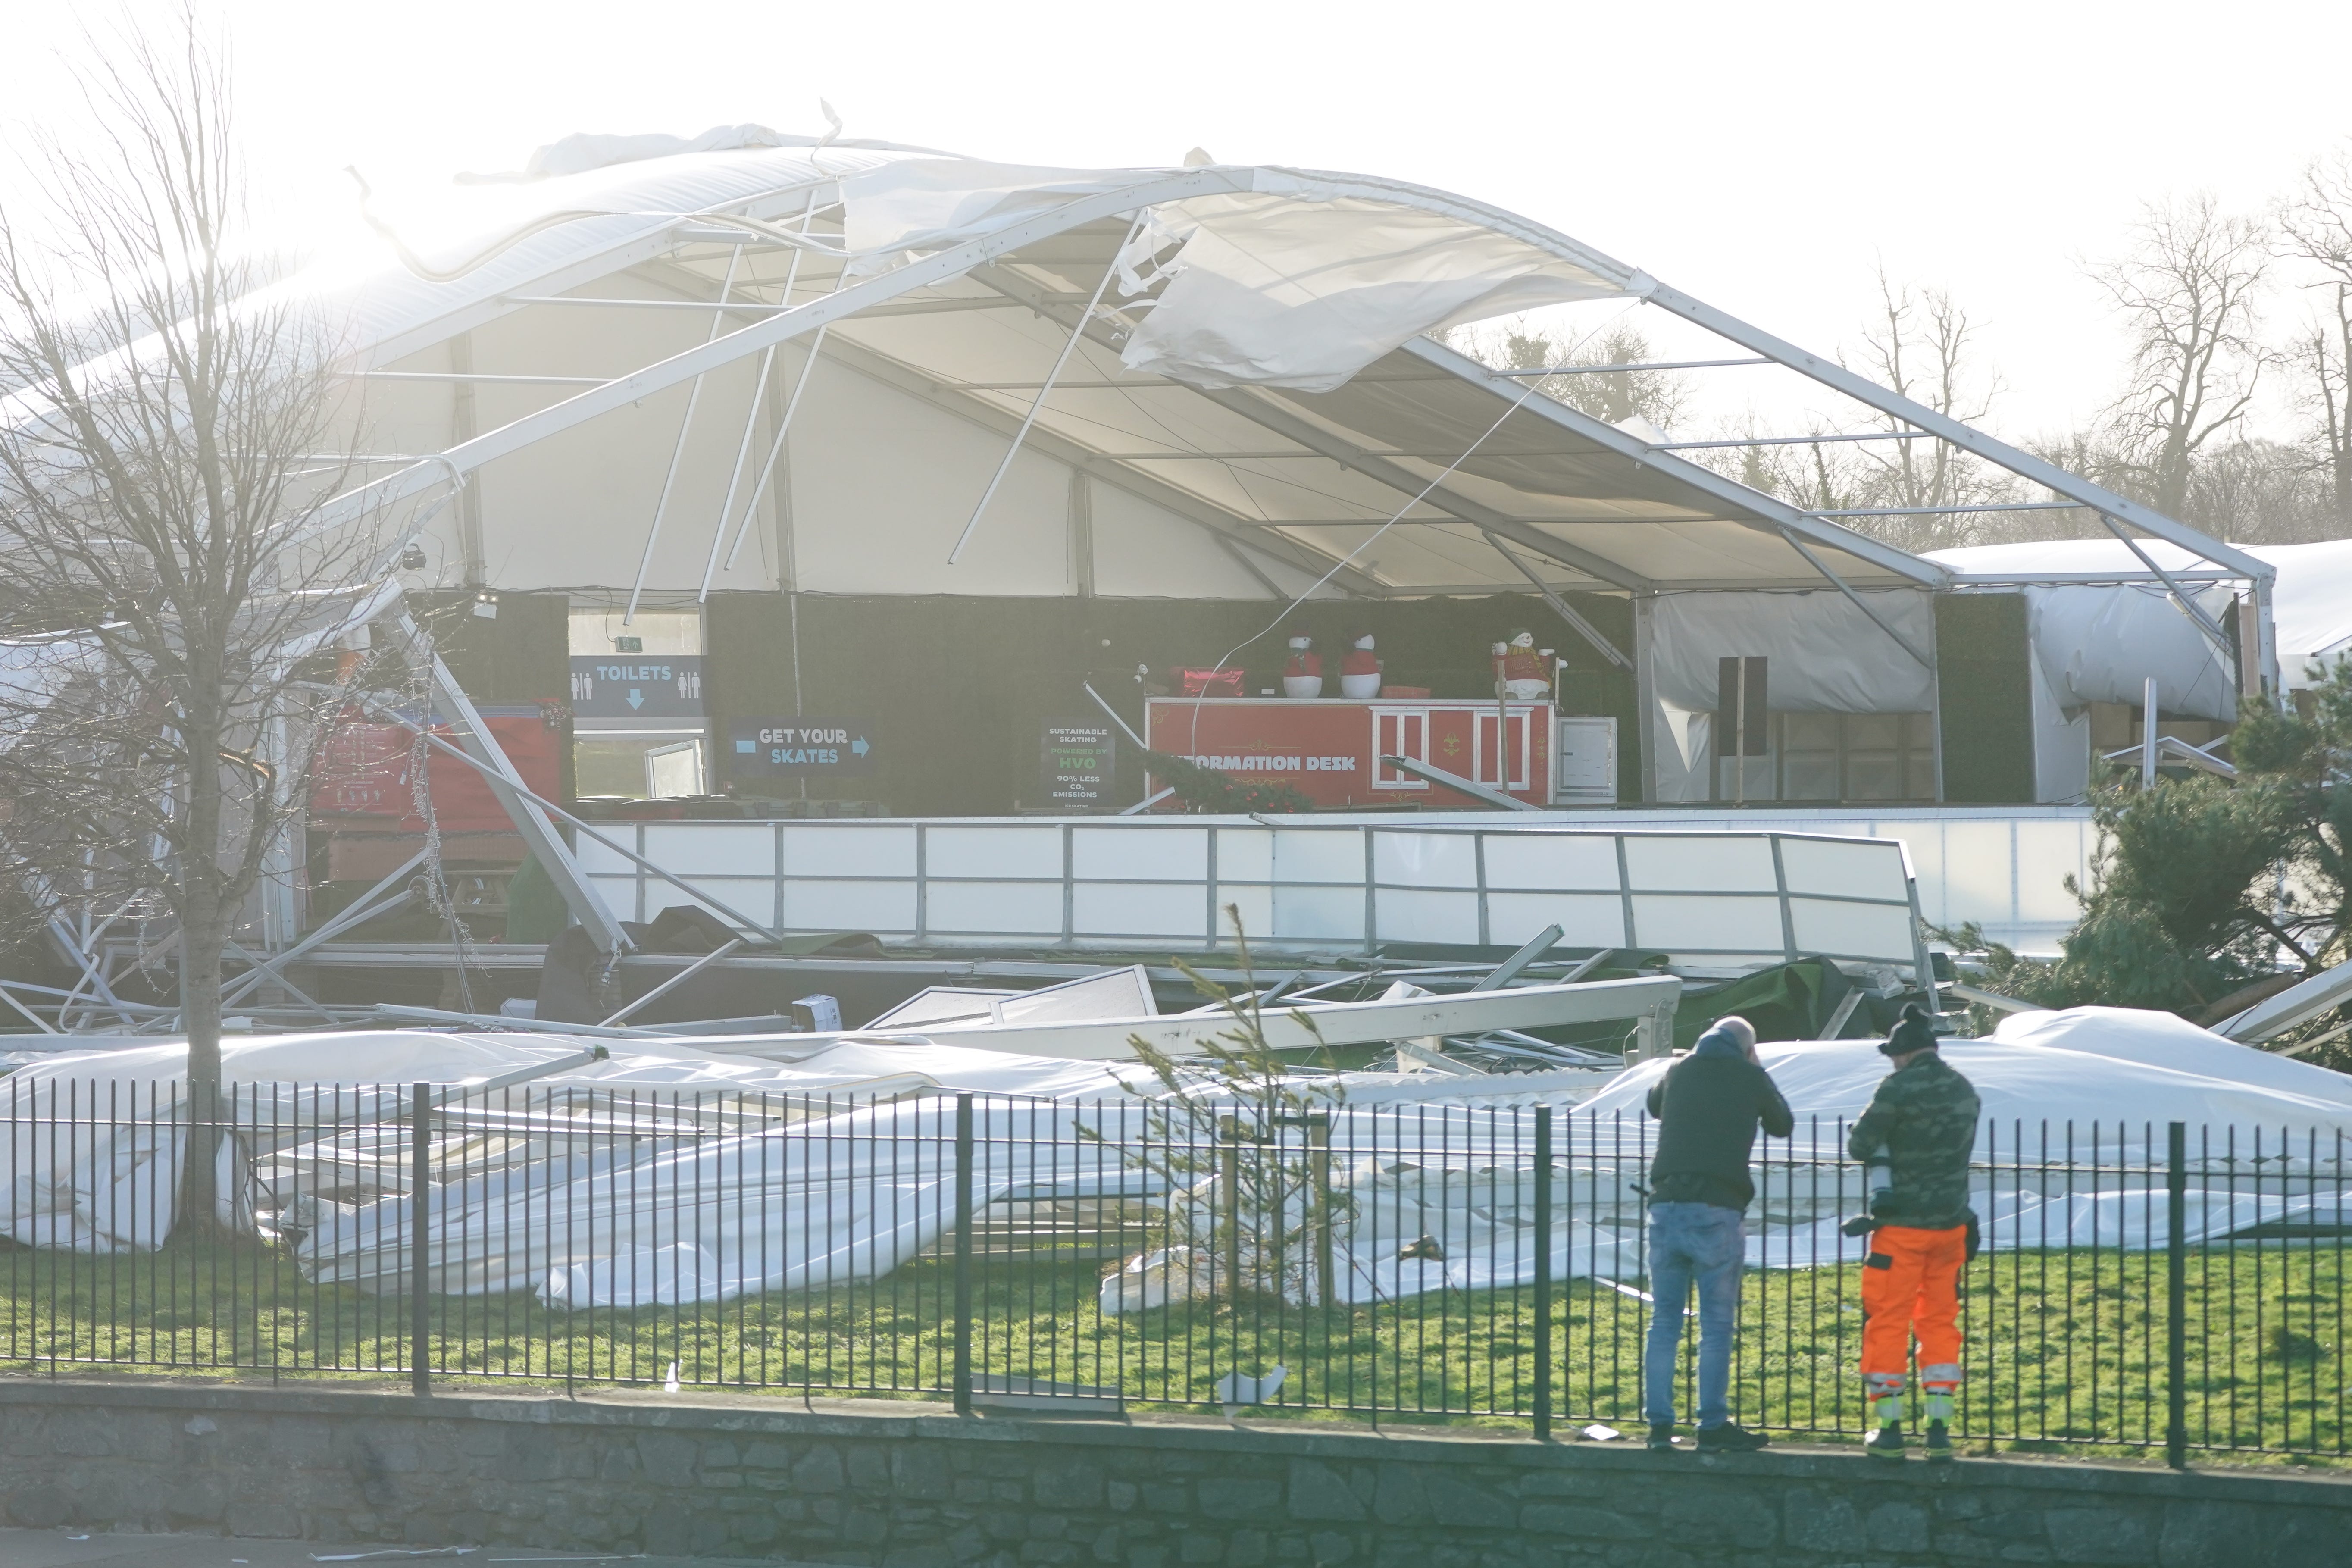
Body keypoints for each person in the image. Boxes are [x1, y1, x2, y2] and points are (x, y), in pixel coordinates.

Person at [1642, 1014, 1793, 1452]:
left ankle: (1658, 1426)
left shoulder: (1677, 1070)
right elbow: (1782, 1124)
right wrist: (1756, 1069)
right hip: (1716, 1209)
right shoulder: (1749, 1075)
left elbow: (1654, 1106)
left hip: (1665, 1205)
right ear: (1747, 1048)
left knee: (1664, 1321)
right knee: (1715, 1324)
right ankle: (1710, 1425)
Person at [1846, 1002, 1981, 1464]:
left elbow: (1859, 1144)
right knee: (1939, 1322)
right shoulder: (1963, 1090)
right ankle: (1939, 1427)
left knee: (1887, 1321)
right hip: (1950, 1228)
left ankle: (1889, 1428)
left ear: (1903, 1053)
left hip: (1901, 1230)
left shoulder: (1897, 1089)